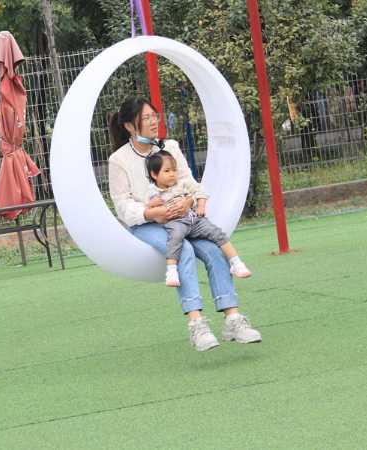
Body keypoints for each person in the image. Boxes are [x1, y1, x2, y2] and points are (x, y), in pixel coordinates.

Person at [108, 97, 261, 352]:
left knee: (214, 249)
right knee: (184, 250)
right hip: (146, 224)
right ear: (129, 126)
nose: (154, 122)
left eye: (154, 116)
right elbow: (122, 206)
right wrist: (152, 213)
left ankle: (232, 320)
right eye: (146, 118)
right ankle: (196, 325)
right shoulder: (119, 160)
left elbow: (189, 182)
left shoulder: (170, 147)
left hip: (182, 217)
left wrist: (188, 201)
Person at [143, 150, 252, 287]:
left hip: (193, 218)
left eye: (174, 170)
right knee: (175, 238)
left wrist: (201, 205)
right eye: (167, 171)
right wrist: (151, 204)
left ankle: (236, 262)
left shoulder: (183, 183)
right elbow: (147, 210)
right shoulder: (152, 192)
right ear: (154, 174)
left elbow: (201, 190)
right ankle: (171, 271)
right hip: (174, 222)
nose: (172, 174)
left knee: (216, 233)